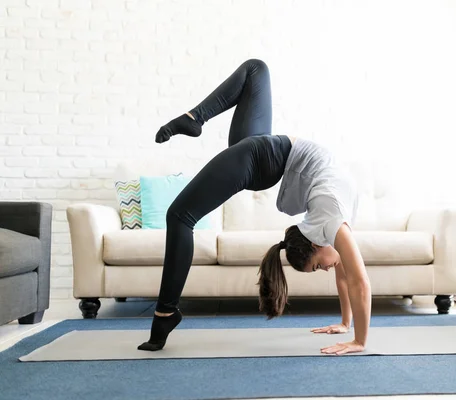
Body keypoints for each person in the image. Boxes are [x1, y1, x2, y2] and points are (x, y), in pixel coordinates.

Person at [138, 59, 371, 356]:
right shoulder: (332, 220)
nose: (325, 268)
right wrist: (358, 339)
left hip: (266, 156)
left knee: (256, 70)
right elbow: (358, 280)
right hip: (262, 156)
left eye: (316, 267)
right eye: (317, 267)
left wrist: (346, 323)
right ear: (316, 244)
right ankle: (166, 313)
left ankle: (195, 118)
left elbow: (345, 273)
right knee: (180, 217)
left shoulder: (331, 226)